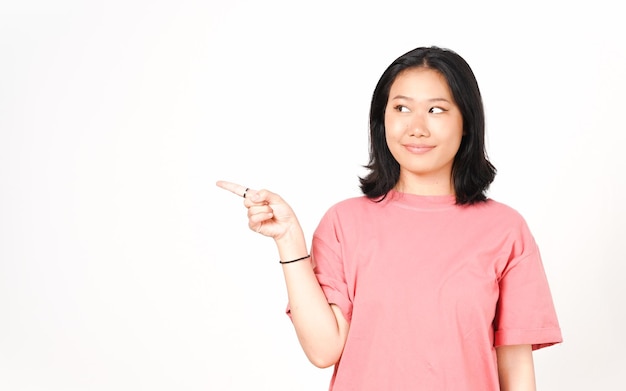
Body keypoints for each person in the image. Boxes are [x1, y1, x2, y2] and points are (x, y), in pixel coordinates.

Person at [216, 46, 562, 390]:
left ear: (467, 122)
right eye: (401, 108)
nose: (416, 127)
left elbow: (515, 368)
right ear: (382, 119)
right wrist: (289, 240)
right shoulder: (343, 223)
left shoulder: (504, 230)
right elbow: (324, 350)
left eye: (437, 110)